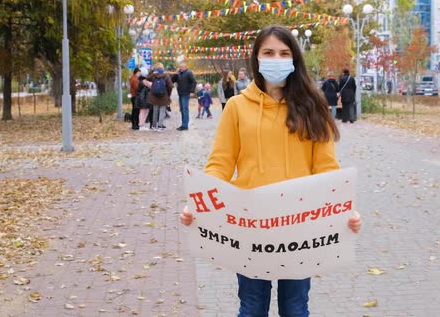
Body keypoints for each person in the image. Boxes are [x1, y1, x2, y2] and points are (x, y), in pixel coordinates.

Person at [180, 24, 362, 317]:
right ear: (256, 59)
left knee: (295, 308)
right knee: (252, 308)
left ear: (294, 59)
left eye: (283, 53)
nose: (276, 59)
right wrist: (199, 202)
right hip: (250, 226)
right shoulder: (237, 107)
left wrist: (344, 212)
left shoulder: (313, 107)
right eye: (268, 52)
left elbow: (327, 169)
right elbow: (221, 163)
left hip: (299, 227)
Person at [146, 62, 173, 132]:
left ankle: (154, 126)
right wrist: (168, 94)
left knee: (155, 110)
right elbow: (170, 86)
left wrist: (151, 70)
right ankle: (160, 126)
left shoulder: (153, 75)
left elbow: (147, 78)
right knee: (162, 111)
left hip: (154, 96)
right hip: (164, 95)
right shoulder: (166, 75)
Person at [174, 62, 197, 131]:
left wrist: (192, 91)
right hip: (180, 93)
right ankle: (183, 124)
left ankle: (185, 125)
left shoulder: (189, 73)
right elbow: (173, 80)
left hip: (186, 93)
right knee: (181, 109)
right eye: (179, 66)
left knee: (185, 109)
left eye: (181, 67)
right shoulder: (179, 74)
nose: (180, 68)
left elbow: (194, 81)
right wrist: (176, 73)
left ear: (185, 67)